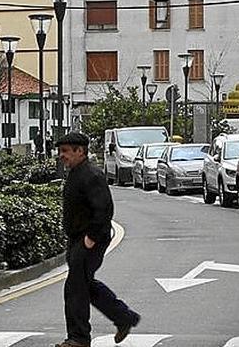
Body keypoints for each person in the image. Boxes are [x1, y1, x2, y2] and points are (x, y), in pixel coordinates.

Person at [55, 132, 140, 347]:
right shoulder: (76, 173)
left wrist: (90, 239)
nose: (61, 156)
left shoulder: (91, 175)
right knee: (84, 285)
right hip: (78, 239)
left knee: (75, 289)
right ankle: (124, 317)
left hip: (89, 240)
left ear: (80, 151)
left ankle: (78, 339)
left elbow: (104, 209)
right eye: (60, 151)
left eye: (65, 151)